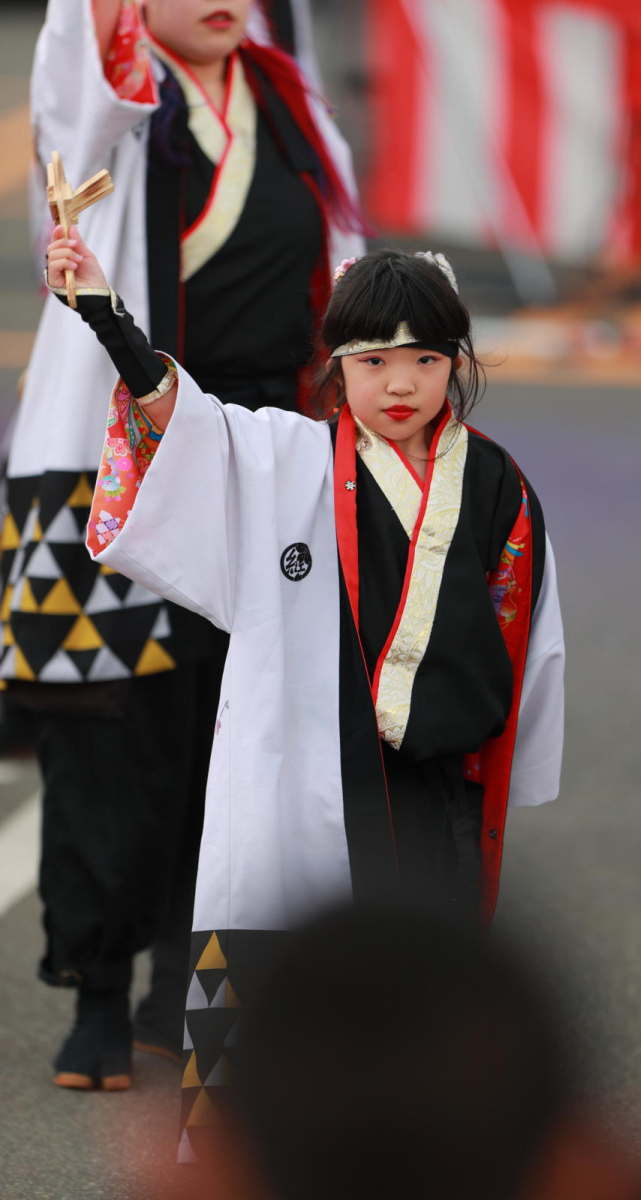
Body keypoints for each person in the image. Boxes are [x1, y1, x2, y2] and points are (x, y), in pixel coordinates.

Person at [45, 230, 565, 1143]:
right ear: (336, 366)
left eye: (425, 360)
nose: (399, 385)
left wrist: (497, 773)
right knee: (274, 980)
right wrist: (104, 312)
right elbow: (178, 416)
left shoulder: (495, 483)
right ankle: (255, 1160)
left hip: (431, 788)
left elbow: (523, 633)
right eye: (373, 362)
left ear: (457, 364)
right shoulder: (283, 458)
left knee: (420, 1002)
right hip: (300, 776)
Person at [0, 0, 363, 1090]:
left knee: (243, 729)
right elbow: (80, 56)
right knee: (107, 730)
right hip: (107, 450)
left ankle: (188, 987)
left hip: (270, 453)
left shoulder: (294, 106)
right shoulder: (102, 101)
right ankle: (99, 991)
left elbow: (342, 265)